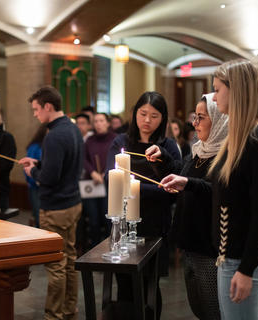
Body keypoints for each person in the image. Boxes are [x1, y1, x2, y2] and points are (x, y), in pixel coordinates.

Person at [161, 59, 258, 320]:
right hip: (228, 253)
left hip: (241, 255)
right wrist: (188, 182)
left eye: (217, 89)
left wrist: (246, 269)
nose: (214, 96)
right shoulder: (237, 136)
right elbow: (224, 190)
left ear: (236, 90)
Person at [106, 91, 181, 319]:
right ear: (135, 114)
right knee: (125, 284)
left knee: (150, 285)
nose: (147, 120)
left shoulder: (168, 147)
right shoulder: (121, 143)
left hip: (155, 224)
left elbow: (173, 191)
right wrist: (155, 189)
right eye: (143, 113)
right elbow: (111, 180)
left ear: (163, 118)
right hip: (123, 223)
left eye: (154, 115)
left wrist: (133, 188)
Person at [156, 94, 228, 319]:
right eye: (194, 117)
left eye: (201, 117)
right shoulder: (200, 149)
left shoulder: (226, 155)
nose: (194, 123)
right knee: (198, 307)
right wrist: (164, 158)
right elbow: (184, 174)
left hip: (208, 244)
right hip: (190, 241)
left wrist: (188, 183)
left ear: (218, 121)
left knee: (213, 309)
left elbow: (215, 189)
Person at [19, 86, 83, 320]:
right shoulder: (72, 128)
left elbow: (49, 179)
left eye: (36, 109)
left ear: (48, 107)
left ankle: (53, 315)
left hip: (56, 208)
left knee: (56, 264)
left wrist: (32, 172)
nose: (35, 114)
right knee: (69, 260)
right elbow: (64, 166)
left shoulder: (54, 135)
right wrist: (37, 162)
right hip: (73, 203)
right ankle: (69, 308)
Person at [83, 112, 117, 248]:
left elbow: (118, 158)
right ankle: (94, 251)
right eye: (96, 121)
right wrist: (92, 172)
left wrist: (106, 173)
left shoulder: (115, 139)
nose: (98, 124)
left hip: (109, 183)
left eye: (101, 121)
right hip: (92, 183)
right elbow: (83, 159)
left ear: (108, 123)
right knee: (93, 220)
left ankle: (110, 248)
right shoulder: (89, 140)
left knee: (108, 219)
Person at [25, 124, 48, 228]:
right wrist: (37, 180)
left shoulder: (53, 145)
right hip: (36, 187)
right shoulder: (35, 147)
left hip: (49, 186)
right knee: (39, 217)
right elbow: (27, 168)